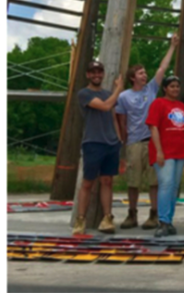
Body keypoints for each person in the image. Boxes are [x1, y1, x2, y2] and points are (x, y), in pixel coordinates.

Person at [113, 35, 178, 230]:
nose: (144, 75)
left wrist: (172, 46)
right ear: (133, 77)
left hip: (152, 142)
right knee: (133, 181)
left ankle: (154, 214)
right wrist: (123, 141)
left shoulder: (151, 90)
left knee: (154, 181)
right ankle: (132, 214)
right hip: (133, 141)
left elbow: (162, 69)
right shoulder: (124, 96)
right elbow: (121, 120)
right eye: (140, 73)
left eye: (144, 72)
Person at [73, 60, 121, 236]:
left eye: (99, 72)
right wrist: (119, 88)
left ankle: (107, 217)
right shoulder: (84, 94)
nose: (96, 75)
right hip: (93, 142)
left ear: (103, 74)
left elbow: (113, 116)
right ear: (88, 75)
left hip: (111, 142)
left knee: (107, 181)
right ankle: (80, 219)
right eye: (93, 72)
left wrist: (119, 139)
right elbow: (105, 106)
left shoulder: (108, 93)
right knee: (88, 182)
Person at [145, 76, 184, 238]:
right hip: (164, 152)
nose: (175, 89)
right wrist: (159, 151)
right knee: (166, 184)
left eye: (177, 86)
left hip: (180, 151)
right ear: (165, 88)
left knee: (174, 187)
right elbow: (153, 127)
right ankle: (162, 221)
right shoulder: (158, 103)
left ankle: (169, 220)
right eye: (172, 86)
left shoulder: (181, 106)